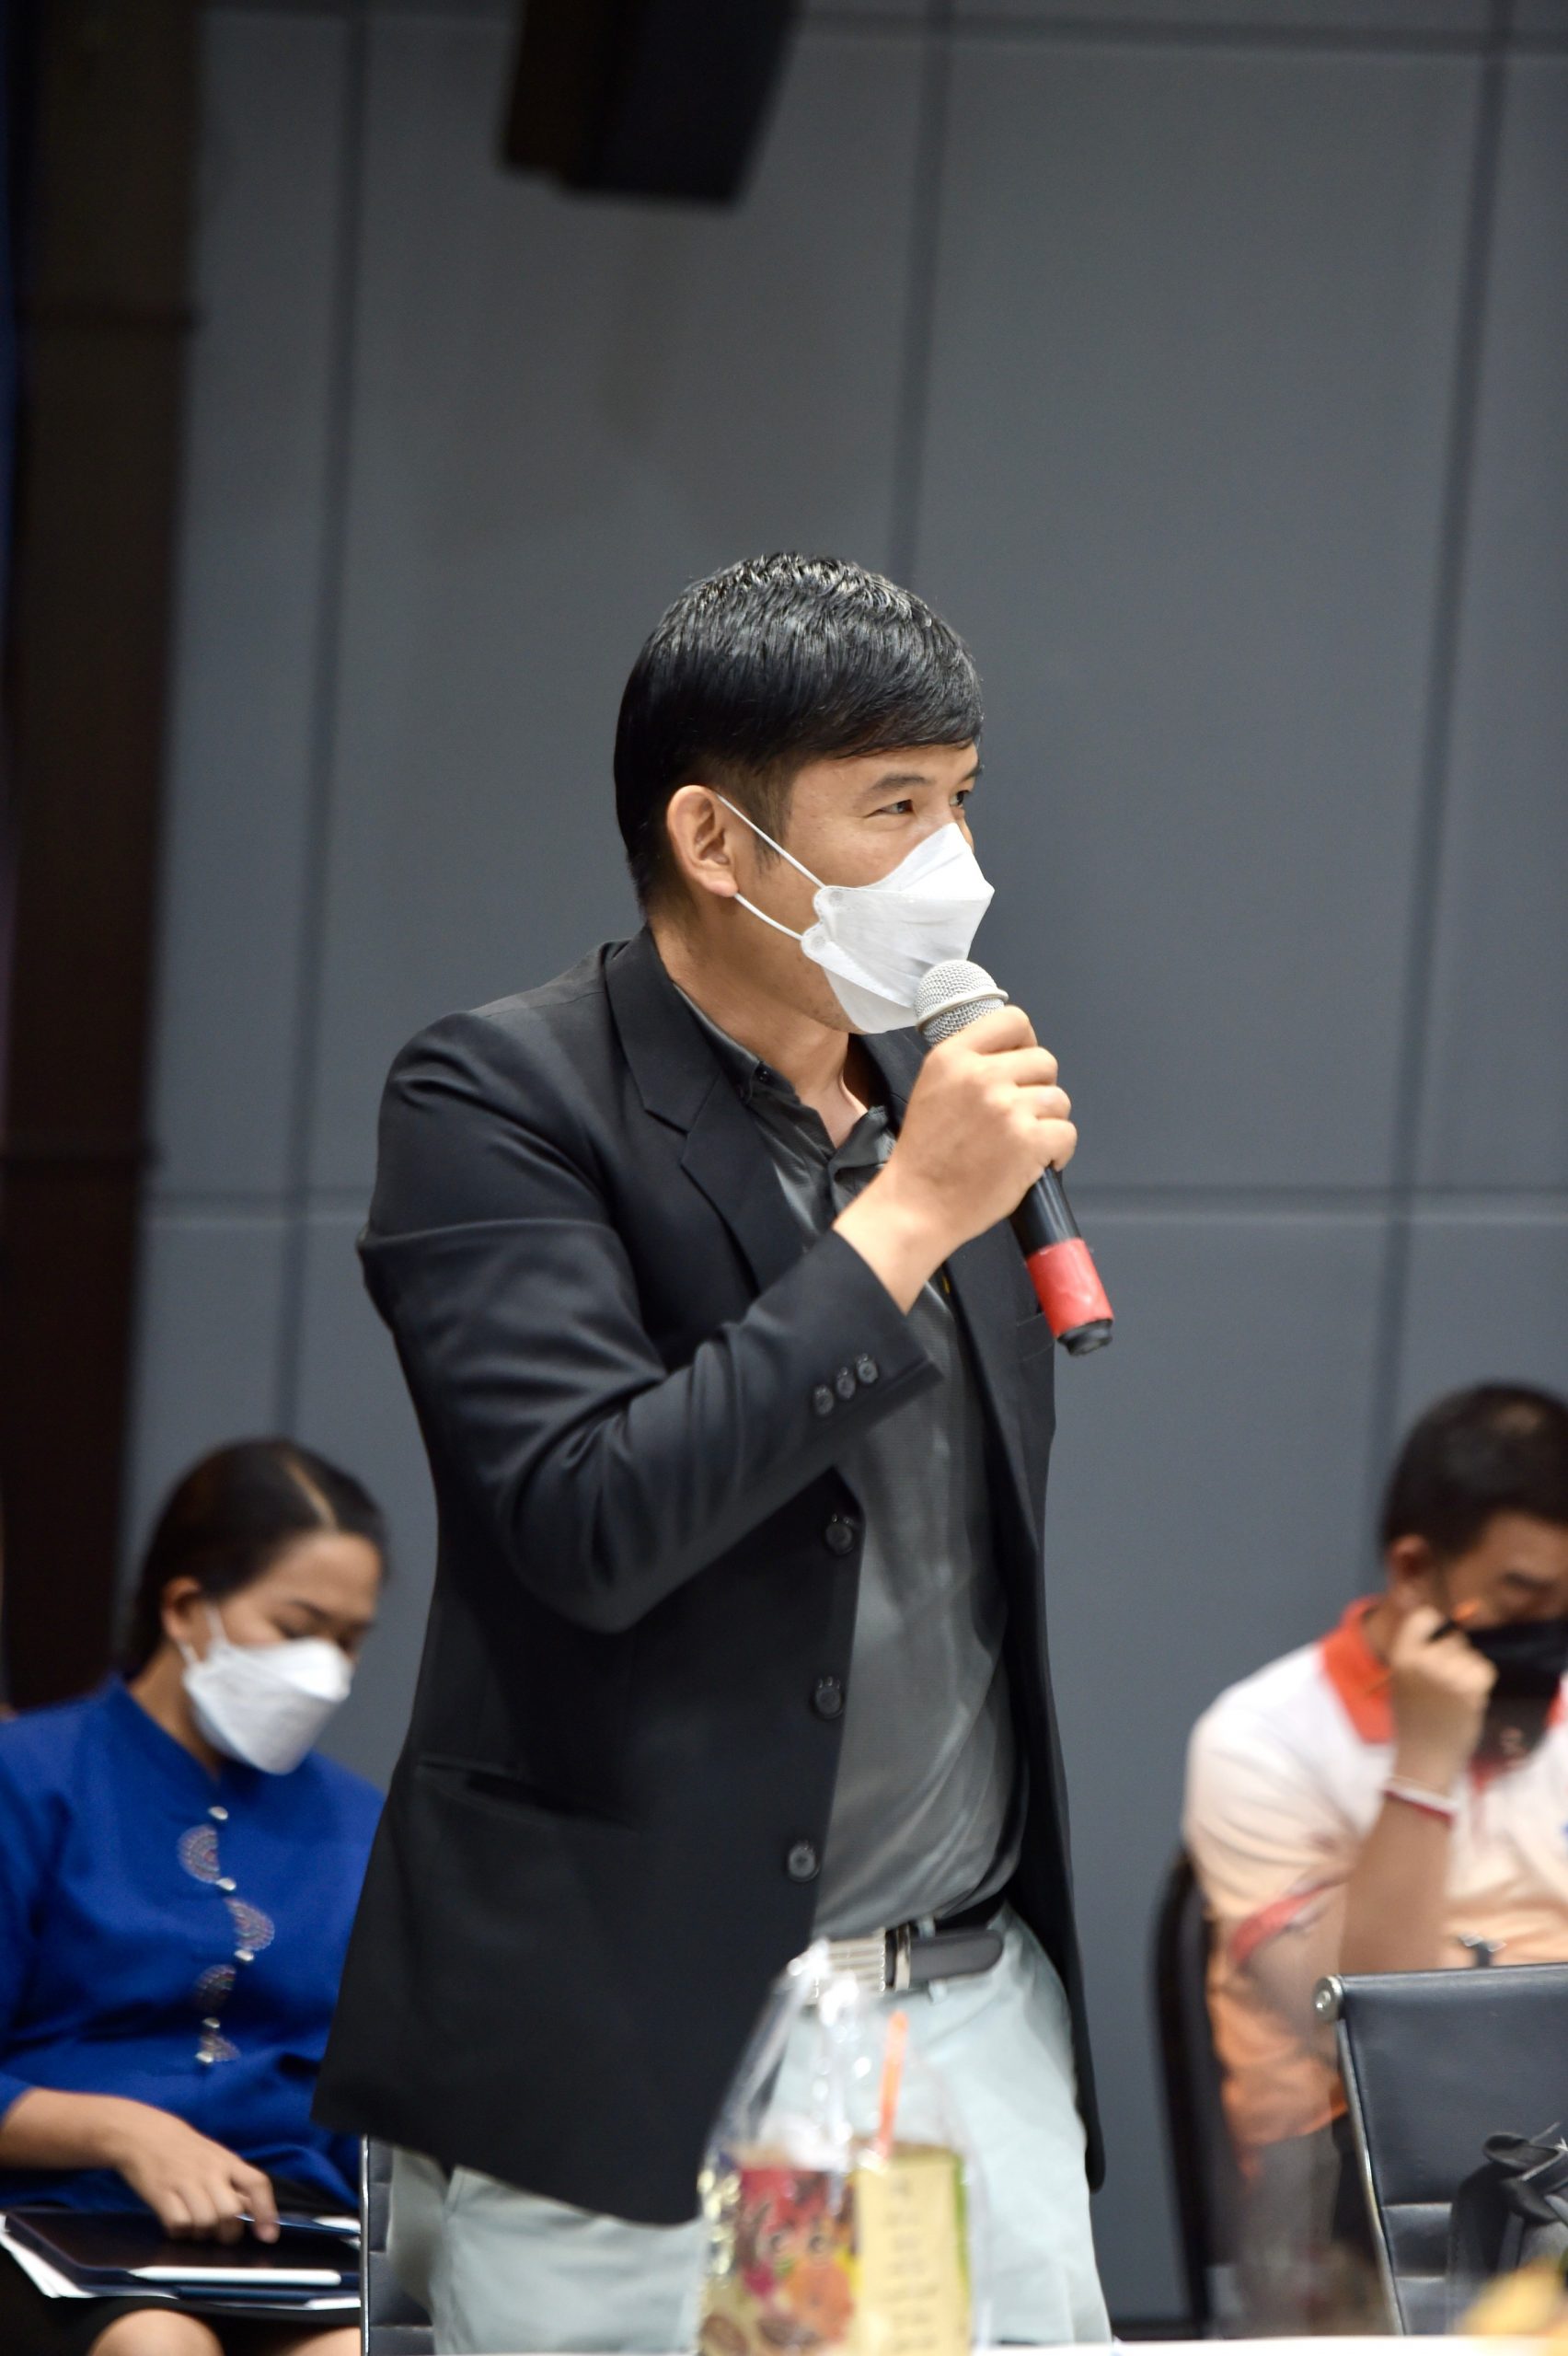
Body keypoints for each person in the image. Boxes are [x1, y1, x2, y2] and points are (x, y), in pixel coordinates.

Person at [316, 553, 1110, 2353]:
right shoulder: (501, 1096)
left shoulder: (938, 1101)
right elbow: (585, 1519)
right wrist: (903, 1220)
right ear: (714, 838)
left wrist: (922, 1183)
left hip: (953, 2009)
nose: (950, 861)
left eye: (961, 799)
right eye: (891, 807)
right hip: (636, 2026)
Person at [1185, 1382, 1568, 2326]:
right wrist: (1425, 1768)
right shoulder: (1262, 1739)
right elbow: (1364, 2028)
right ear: (1414, 1568)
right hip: (1350, 2195)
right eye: (1525, 1594)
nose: (1552, 1624)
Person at [0, 1439, 386, 2356]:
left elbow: (378, 2096)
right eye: (297, 1627)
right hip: (57, 2207)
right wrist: (122, 2131)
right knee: (157, 2345)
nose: (328, 1670)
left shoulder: (359, 1821)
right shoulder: (31, 1779)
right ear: (184, 1609)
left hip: (287, 2223)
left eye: (348, 1640)